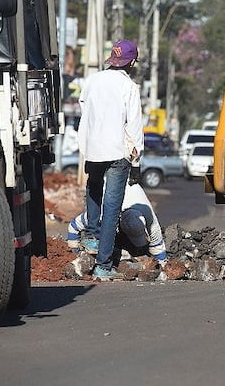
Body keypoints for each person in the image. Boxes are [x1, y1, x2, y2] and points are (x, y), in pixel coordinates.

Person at [78, 39, 145, 280]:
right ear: (132, 62)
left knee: (93, 188)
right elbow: (134, 127)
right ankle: (104, 266)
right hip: (118, 153)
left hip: (93, 149)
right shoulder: (129, 87)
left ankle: (92, 237)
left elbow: (84, 113)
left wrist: (85, 145)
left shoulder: (92, 81)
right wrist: (136, 163)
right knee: (112, 207)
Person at [67, 183, 168, 278]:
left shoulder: (149, 217)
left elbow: (158, 245)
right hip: (105, 189)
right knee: (99, 236)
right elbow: (73, 227)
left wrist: (163, 265)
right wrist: (74, 253)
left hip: (127, 188)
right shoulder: (101, 215)